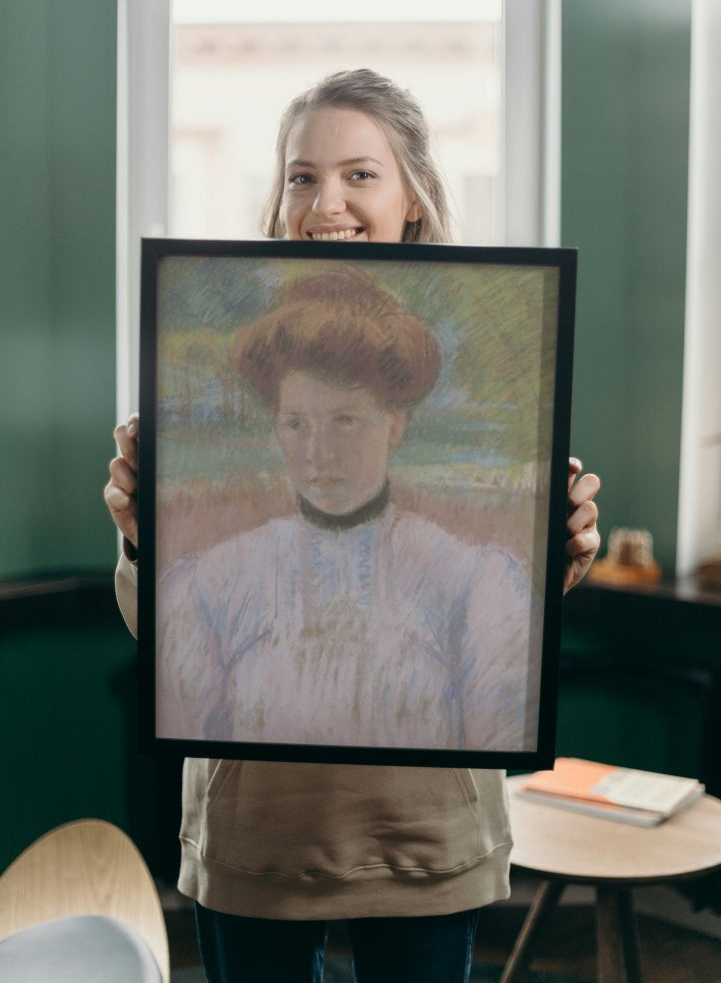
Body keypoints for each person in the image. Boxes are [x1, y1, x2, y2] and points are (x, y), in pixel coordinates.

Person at [105, 69, 601, 983]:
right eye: (301, 175)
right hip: (256, 836)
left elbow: (505, 665)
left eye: (359, 174)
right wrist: (143, 537)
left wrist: (554, 554)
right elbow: (172, 657)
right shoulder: (218, 570)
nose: (324, 200)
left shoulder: (470, 569)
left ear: (413, 195)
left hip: (422, 837)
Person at [157, 266, 541, 752]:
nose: (319, 451)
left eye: (345, 421)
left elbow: (500, 746)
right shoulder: (214, 586)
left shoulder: (470, 585)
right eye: (296, 423)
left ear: (394, 424)